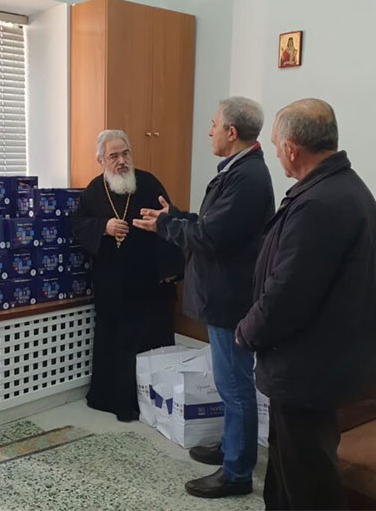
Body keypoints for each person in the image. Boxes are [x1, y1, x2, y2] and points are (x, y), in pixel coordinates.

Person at [235, 99, 376, 510]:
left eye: (276, 144)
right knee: (287, 471)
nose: (276, 152)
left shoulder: (320, 203)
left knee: (307, 483)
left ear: (292, 148)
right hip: (315, 366)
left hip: (308, 370)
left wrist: (246, 332)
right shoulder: (341, 189)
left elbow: (287, 294)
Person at [134, 97, 274, 498]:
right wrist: (175, 217)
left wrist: (166, 226)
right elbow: (214, 225)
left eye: (214, 124)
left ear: (231, 132)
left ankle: (236, 473)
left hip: (231, 298)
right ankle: (231, 447)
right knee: (228, 382)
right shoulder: (237, 170)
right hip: (224, 293)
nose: (209, 131)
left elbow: (211, 238)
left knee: (234, 386)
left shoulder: (248, 177)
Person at [71, 129, 184, 422]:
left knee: (150, 342)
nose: (121, 161)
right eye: (114, 156)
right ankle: (114, 400)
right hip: (113, 285)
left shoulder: (149, 183)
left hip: (149, 283)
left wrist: (170, 270)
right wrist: (104, 227)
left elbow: (170, 221)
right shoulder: (94, 190)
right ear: (101, 160)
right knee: (115, 344)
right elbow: (79, 224)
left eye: (125, 153)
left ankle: (152, 404)